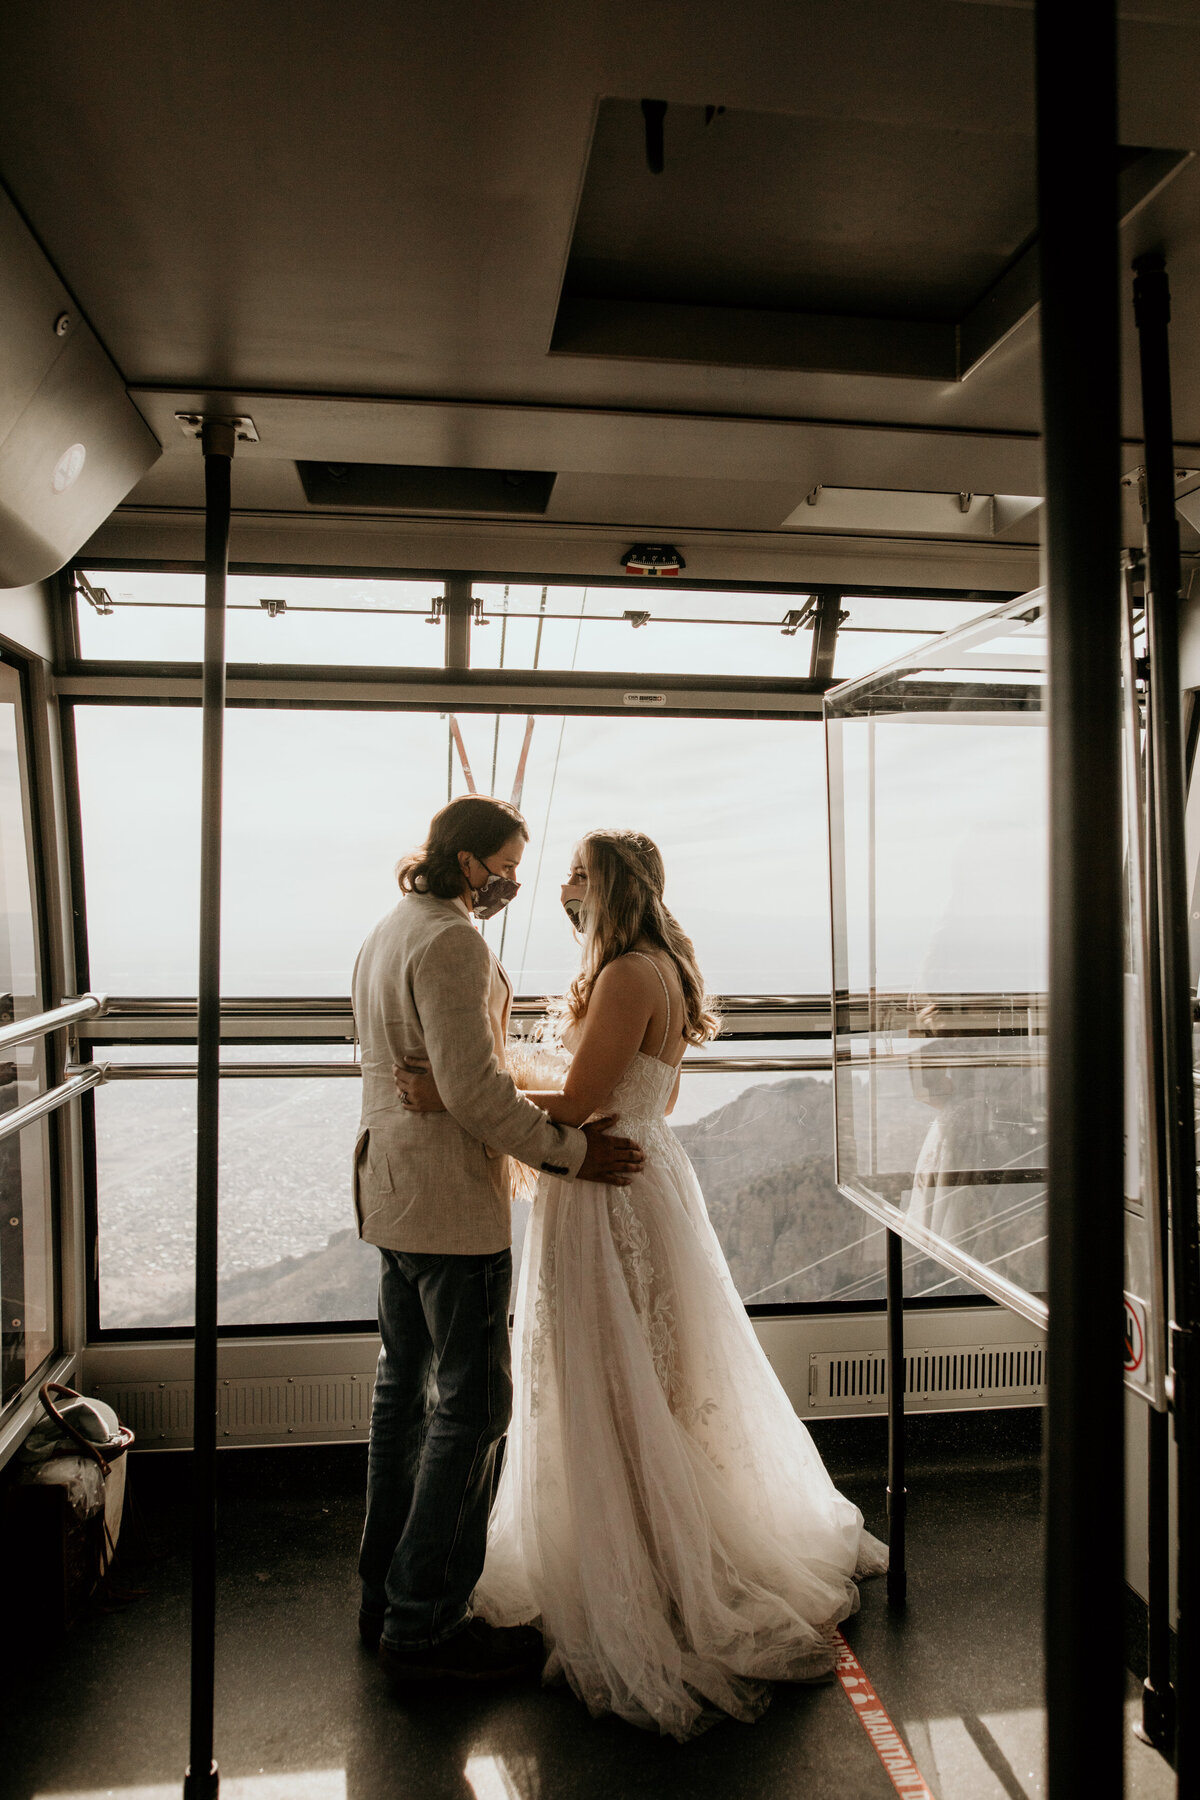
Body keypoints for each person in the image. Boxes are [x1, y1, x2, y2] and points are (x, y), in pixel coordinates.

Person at [396, 827, 887, 1739]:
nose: (561, 888)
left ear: (611, 887)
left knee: (614, 1377)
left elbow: (584, 1107)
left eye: (576, 875)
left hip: (604, 1190)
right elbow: (653, 1099)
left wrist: (454, 1096)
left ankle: (648, 1561)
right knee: (644, 1375)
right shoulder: (658, 967)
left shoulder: (628, 975)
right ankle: (653, 1542)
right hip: (633, 1173)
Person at [352, 796, 644, 1687]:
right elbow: (473, 1097)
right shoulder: (450, 943)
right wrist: (574, 1155)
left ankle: (385, 1590)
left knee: (402, 1395)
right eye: (510, 860)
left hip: (392, 1192)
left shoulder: (389, 930)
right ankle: (427, 1620)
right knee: (474, 1408)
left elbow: (433, 1069)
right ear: (469, 860)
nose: (519, 877)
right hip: (447, 1204)